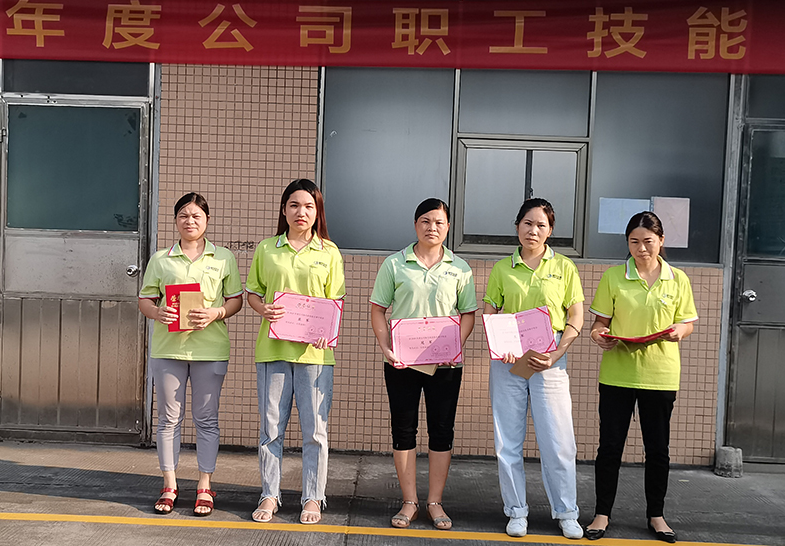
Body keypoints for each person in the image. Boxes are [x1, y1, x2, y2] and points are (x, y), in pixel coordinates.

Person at [586, 211, 698, 543]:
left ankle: (656, 516)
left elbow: (687, 322)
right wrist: (598, 335)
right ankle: (602, 514)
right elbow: (599, 324)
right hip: (617, 374)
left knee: (658, 449)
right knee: (610, 447)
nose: (641, 248)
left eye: (648, 241)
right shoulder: (613, 277)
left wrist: (681, 331)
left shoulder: (678, 279)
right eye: (634, 242)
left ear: (661, 240)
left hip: (660, 375)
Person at [369, 198, 478, 531]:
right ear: (415, 224)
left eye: (439, 222)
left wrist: (455, 346)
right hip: (402, 362)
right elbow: (378, 309)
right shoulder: (394, 264)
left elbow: (468, 314)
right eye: (426, 221)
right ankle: (409, 502)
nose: (432, 228)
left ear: (448, 227)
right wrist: (386, 347)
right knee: (403, 429)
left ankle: (434, 502)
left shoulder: (460, 268)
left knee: (441, 430)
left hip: (446, 365)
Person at [482, 198, 586, 540]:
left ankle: (567, 512)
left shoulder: (564, 267)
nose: (533, 230)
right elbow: (490, 312)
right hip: (509, 359)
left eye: (541, 225)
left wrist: (558, 352)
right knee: (508, 441)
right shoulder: (502, 268)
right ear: (517, 226)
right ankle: (516, 511)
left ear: (550, 230)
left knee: (558, 440)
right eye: (527, 223)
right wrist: (499, 344)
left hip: (549, 357)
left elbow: (575, 316)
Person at [246, 178, 345, 525]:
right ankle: (269, 494)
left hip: (314, 356)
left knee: (315, 431)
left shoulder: (329, 252)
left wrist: (326, 332)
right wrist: (262, 309)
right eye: (294, 205)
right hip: (272, 350)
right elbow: (253, 292)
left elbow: (335, 301)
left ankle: (313, 498)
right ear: (284, 209)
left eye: (308, 206)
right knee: (271, 428)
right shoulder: (267, 249)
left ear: (318, 212)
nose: (301, 212)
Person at [137, 192, 244, 516]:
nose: (190, 221)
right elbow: (145, 300)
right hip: (168, 350)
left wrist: (216, 313)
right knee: (168, 418)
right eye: (184, 215)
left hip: (210, 350)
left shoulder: (223, 257)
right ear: (175, 220)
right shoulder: (161, 259)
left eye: (196, 215)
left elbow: (235, 300)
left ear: (207, 220)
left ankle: (204, 485)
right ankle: (169, 484)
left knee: (206, 419)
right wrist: (157, 313)